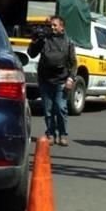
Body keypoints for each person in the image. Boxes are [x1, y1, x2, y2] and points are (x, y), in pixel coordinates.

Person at [27, 15, 77, 146]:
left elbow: (73, 63)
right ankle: (50, 133)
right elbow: (31, 53)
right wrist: (34, 41)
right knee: (48, 110)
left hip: (62, 81)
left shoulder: (68, 42)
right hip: (45, 80)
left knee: (61, 108)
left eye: (55, 25)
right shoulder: (44, 40)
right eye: (51, 25)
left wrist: (71, 78)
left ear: (62, 27)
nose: (52, 28)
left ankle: (62, 134)